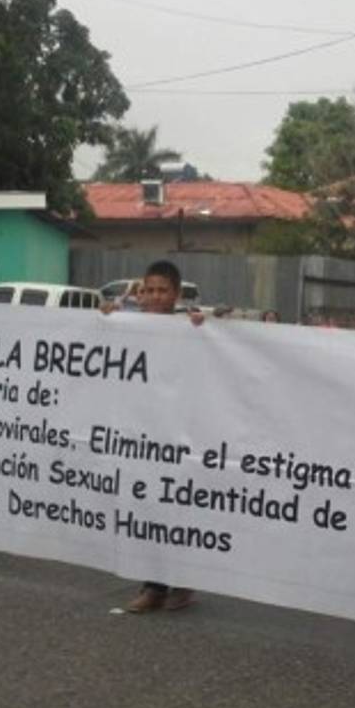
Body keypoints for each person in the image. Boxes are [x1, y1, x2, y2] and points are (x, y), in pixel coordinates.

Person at [100, 259, 204, 613]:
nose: (155, 296)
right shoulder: (127, 326)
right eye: (149, 290)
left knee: (175, 509)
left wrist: (204, 327)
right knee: (146, 507)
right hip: (140, 434)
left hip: (178, 435)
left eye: (163, 290)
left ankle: (179, 581)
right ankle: (155, 586)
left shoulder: (190, 326)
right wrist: (105, 319)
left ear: (176, 294)